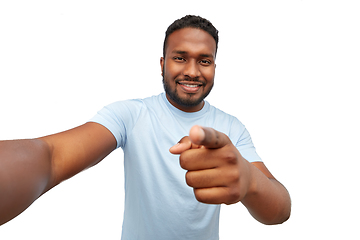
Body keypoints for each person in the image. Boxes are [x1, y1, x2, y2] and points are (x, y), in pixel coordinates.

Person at [0, 15, 291, 239]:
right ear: (162, 63)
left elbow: (280, 209)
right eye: (180, 58)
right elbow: (52, 156)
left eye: (204, 61)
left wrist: (250, 181)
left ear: (215, 67)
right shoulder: (131, 114)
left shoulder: (231, 127)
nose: (192, 71)